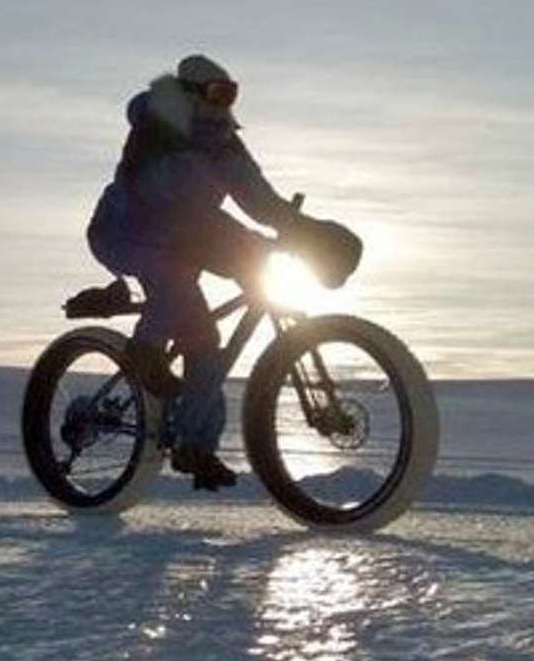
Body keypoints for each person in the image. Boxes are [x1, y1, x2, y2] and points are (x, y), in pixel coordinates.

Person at [86, 54, 351, 491]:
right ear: (188, 92)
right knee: (173, 281)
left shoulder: (224, 142)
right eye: (216, 93)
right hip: (125, 231)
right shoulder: (158, 126)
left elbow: (257, 197)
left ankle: (196, 446)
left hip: (184, 238)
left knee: (205, 341)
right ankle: (146, 350)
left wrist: (298, 230)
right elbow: (158, 193)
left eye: (231, 94)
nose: (224, 104)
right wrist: (230, 236)